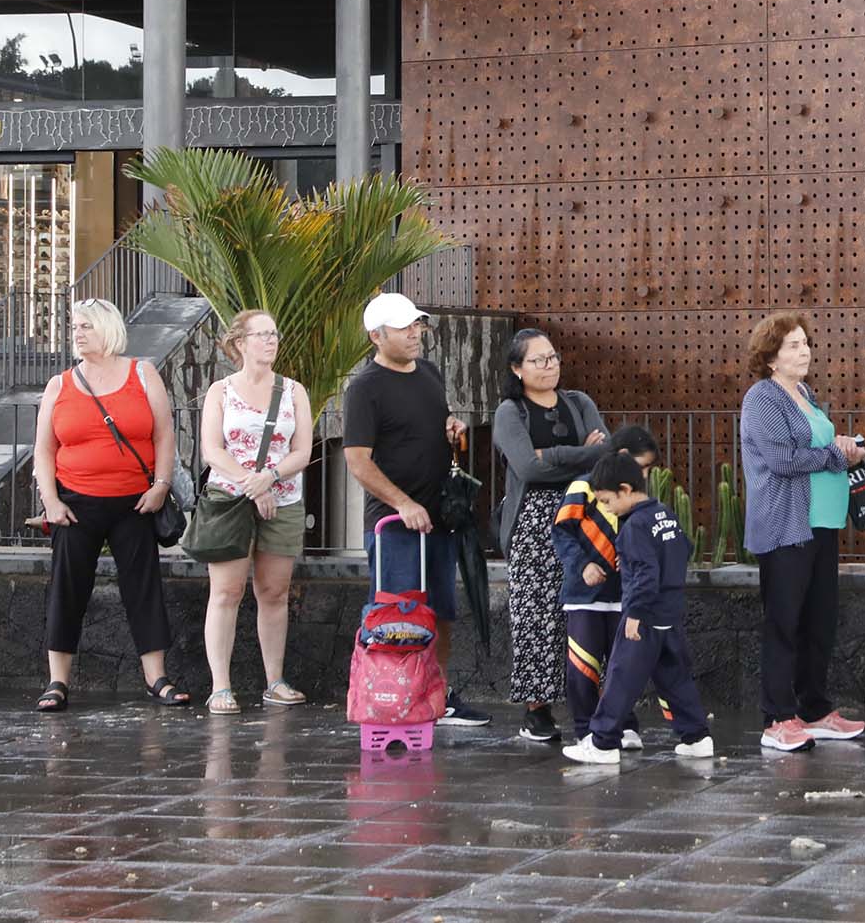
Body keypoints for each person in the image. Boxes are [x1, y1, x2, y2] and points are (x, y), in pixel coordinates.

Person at [30, 298, 189, 711]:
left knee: (143, 589)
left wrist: (161, 485)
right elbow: (44, 450)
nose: (77, 333)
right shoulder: (59, 384)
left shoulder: (142, 373)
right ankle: (57, 682)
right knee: (67, 589)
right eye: (75, 327)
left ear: (108, 329)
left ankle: (157, 679)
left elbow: (165, 434)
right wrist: (50, 501)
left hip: (135, 503)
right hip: (75, 503)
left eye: (86, 326)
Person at [342, 291, 486, 728]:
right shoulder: (365, 388)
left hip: (439, 518)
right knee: (396, 616)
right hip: (395, 525)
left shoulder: (429, 372)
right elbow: (357, 460)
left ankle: (434, 694)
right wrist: (403, 504)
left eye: (416, 325)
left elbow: (429, 428)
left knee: (439, 612)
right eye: (404, 328)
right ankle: (390, 694)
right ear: (376, 336)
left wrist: (452, 429)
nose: (414, 334)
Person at [739, 313, 865, 753]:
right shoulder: (762, 398)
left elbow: (812, 448)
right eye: (793, 345)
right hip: (786, 525)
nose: (805, 350)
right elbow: (782, 459)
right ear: (771, 357)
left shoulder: (805, 394)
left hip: (823, 523)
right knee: (784, 622)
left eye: (805, 343)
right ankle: (777, 717)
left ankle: (814, 710)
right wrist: (835, 454)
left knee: (819, 621)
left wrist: (843, 446)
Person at [196, 309, 316, 715]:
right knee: (226, 591)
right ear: (240, 342)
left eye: (274, 334)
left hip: (281, 499)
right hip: (230, 501)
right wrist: (252, 484)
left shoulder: (293, 391)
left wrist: (270, 477)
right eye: (261, 334)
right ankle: (220, 685)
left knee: (274, 591)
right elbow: (213, 451)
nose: (270, 341)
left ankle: (274, 680)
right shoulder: (221, 391)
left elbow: (302, 450)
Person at [491, 328, 608, 745]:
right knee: (536, 617)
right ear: (517, 369)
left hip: (582, 516)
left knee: (590, 611)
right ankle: (536, 709)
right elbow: (528, 469)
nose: (549, 365)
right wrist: (580, 454)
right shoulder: (510, 411)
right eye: (538, 360)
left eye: (553, 357)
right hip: (533, 524)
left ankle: (598, 704)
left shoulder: (579, 402)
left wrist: (554, 457)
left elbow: (605, 455)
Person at [560, 449, 713, 763]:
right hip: (670, 612)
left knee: (620, 678)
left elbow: (645, 572)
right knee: (675, 678)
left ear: (625, 491)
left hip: (643, 617)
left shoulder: (633, 528)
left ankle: (602, 742)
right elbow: (684, 548)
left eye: (607, 501)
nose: (608, 509)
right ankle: (697, 736)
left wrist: (635, 613)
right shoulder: (665, 514)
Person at [554, 425, 650, 751]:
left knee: (622, 664)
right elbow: (562, 533)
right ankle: (585, 728)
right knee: (583, 665)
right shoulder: (582, 486)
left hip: (623, 594)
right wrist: (583, 565)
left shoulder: (637, 495)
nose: (645, 474)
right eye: (641, 465)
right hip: (585, 595)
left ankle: (623, 724)